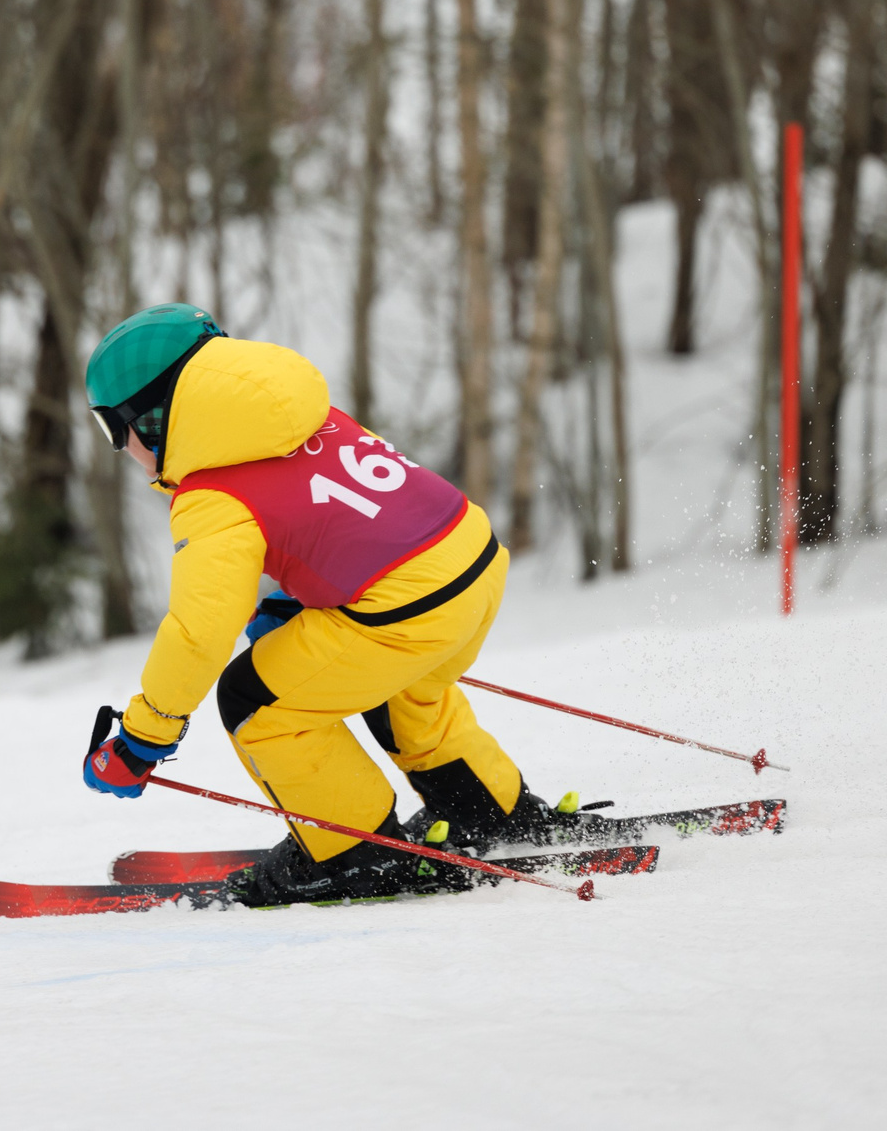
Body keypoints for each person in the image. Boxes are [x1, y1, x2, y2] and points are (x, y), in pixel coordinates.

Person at [78, 302, 574, 906]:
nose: (119, 449)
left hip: (401, 609)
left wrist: (142, 738)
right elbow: (350, 511)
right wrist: (300, 599)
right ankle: (492, 814)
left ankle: (355, 851)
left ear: (150, 418)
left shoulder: (211, 493)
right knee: (408, 693)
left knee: (255, 702)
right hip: (472, 562)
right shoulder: (305, 416)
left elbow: (199, 630)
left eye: (111, 430)